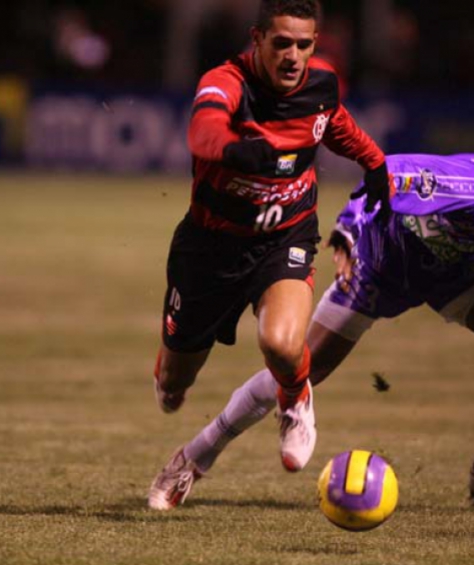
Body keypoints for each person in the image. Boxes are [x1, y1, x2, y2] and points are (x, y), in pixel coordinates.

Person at [149, 143, 474, 517]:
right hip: (380, 263)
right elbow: (385, 176)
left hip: (453, 271)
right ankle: (194, 457)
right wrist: (348, 232)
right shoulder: (463, 184)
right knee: (298, 370)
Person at [148, 0, 390, 511]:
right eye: (282, 42)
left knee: (281, 345)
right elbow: (203, 131)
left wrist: (374, 162)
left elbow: (334, 123)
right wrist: (237, 149)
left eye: (305, 44)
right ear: (257, 39)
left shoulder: (321, 83)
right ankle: (171, 376)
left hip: (285, 237)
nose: (293, 56)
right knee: (174, 385)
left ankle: (296, 398)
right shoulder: (226, 82)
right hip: (209, 250)